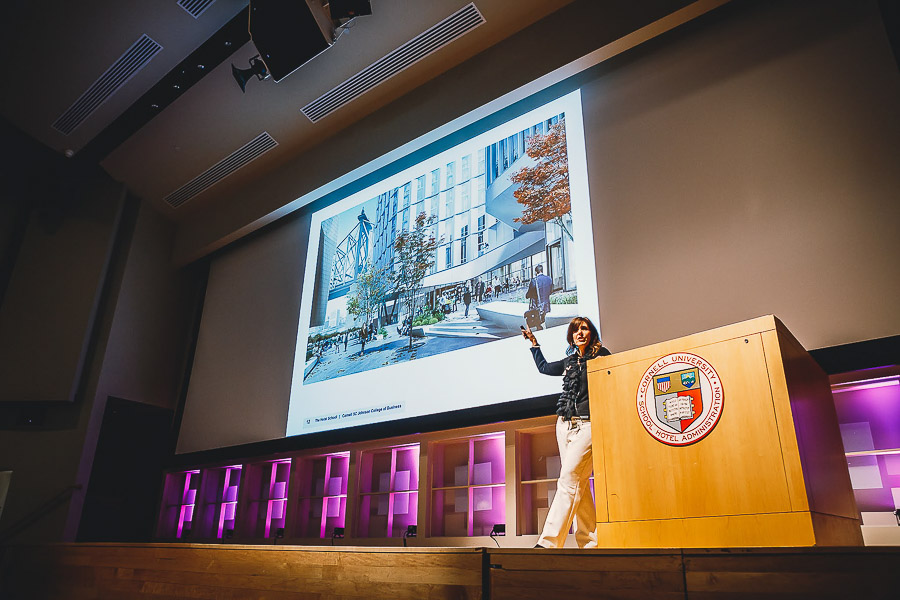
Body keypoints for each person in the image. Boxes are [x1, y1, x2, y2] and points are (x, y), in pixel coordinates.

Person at [521, 317, 611, 549]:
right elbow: (544, 368)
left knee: (569, 480)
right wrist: (534, 344)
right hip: (564, 424)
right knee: (577, 483)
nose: (580, 333)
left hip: (589, 424)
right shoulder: (570, 361)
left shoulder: (602, 357)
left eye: (584, 328)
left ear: (591, 333)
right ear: (571, 336)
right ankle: (590, 543)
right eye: (575, 330)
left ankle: (549, 543)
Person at [525, 264, 552, 329]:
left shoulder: (534, 280)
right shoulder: (549, 279)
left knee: (538, 323)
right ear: (542, 270)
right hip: (546, 304)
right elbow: (551, 291)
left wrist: (527, 296)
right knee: (543, 319)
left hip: (537, 306)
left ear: (536, 272)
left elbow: (529, 293)